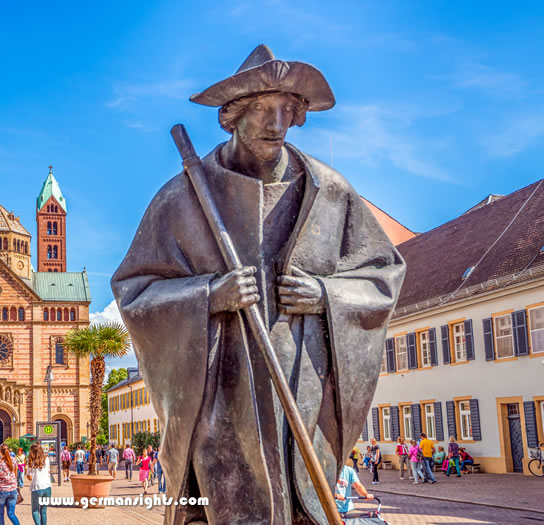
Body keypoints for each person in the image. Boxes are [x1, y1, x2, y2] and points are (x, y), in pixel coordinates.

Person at [111, 43, 405, 524]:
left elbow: (381, 274)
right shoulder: (181, 197)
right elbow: (135, 290)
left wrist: (327, 296)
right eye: (263, 110)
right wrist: (208, 295)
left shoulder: (329, 191)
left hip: (304, 389)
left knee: (303, 504)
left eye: (286, 111)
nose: (276, 124)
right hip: (225, 394)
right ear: (233, 115)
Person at [0, 443, 20, 525]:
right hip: (13, 490)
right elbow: (15, 474)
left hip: (1, 490)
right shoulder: (14, 460)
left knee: (0, 514)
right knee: (11, 514)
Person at [26, 443, 51, 525]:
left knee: (35, 511)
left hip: (37, 488)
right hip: (47, 487)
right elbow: (48, 472)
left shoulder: (30, 461)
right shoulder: (46, 459)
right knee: (43, 510)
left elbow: (29, 476)